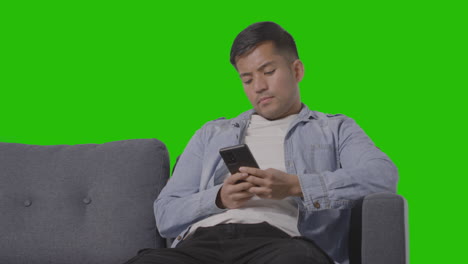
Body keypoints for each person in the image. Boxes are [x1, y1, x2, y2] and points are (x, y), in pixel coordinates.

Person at [124, 21, 398, 264]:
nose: (258, 87)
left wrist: (295, 185)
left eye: (268, 71)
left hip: (283, 243)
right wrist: (219, 198)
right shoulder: (211, 132)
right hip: (203, 244)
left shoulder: (335, 128)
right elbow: (165, 213)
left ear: (297, 70)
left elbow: (381, 175)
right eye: (247, 79)